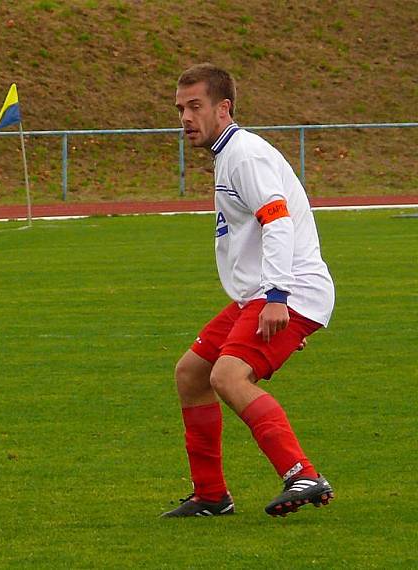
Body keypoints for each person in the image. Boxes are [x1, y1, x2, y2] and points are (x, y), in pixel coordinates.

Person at [162, 63, 335, 517]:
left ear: (224, 108)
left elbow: (277, 220)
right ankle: (211, 495)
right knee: (192, 374)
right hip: (258, 293)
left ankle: (302, 473)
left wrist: (277, 295)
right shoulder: (230, 154)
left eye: (195, 106)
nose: (185, 117)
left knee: (227, 376)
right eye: (181, 108)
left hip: (290, 291)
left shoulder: (245, 155)